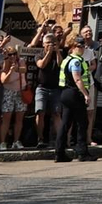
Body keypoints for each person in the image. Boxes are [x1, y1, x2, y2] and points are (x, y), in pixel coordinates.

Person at [54, 36, 96, 162]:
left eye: (83, 46)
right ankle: (82, 153)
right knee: (82, 123)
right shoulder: (76, 61)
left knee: (65, 124)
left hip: (66, 93)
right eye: (79, 46)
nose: (82, 48)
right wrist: (86, 94)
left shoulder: (67, 59)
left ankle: (59, 153)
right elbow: (77, 78)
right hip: (74, 93)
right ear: (72, 47)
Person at [32, 22, 66, 150]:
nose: (50, 45)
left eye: (53, 43)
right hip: (42, 88)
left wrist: (57, 52)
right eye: (48, 44)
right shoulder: (39, 54)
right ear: (44, 44)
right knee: (40, 112)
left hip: (56, 88)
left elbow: (61, 65)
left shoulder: (59, 53)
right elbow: (41, 65)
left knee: (57, 114)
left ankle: (59, 139)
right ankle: (40, 138)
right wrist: (48, 53)